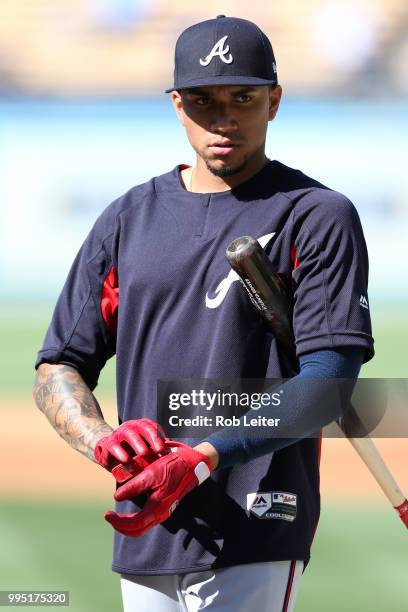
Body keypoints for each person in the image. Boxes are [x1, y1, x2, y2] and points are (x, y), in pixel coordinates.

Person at [33, 15, 374, 612]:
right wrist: (105, 442)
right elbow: (59, 365)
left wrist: (201, 458)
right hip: (149, 527)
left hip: (257, 518)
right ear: (175, 104)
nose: (223, 118)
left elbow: (328, 386)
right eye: (202, 100)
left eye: (243, 97)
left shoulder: (317, 215)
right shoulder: (126, 219)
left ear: (275, 101)